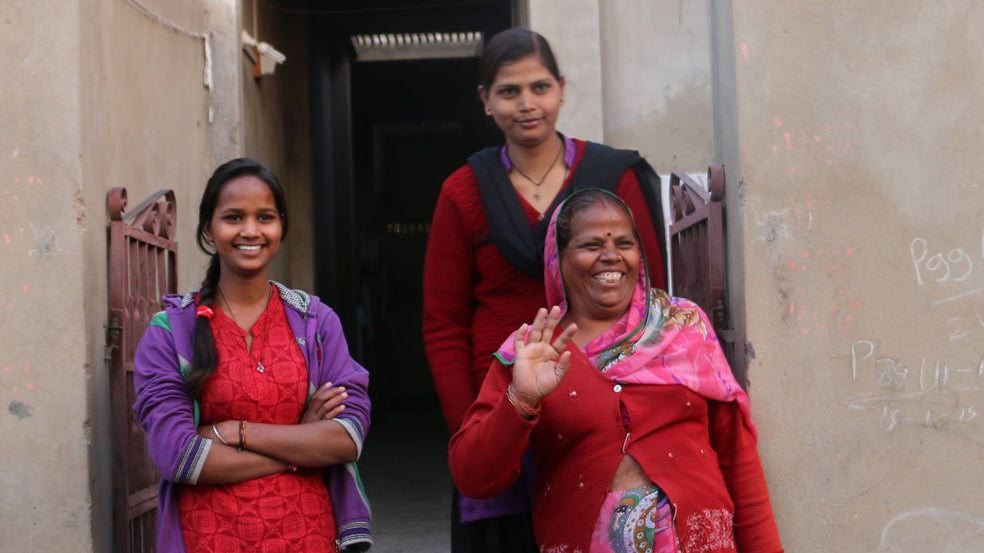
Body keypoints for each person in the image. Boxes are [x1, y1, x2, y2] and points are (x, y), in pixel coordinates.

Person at [423, 27, 668, 551]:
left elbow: (650, 298)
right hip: (502, 404)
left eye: (539, 87)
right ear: (485, 101)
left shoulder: (612, 176)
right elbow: (443, 323)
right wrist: (472, 426)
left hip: (601, 406)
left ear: (561, 89)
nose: (527, 104)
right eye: (509, 91)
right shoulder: (462, 191)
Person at [449, 189, 784, 553]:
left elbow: (739, 459)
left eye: (624, 243)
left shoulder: (684, 327)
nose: (611, 256)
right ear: (556, 259)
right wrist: (521, 400)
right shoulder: (532, 352)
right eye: (590, 244)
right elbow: (474, 477)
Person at [133, 158, 372, 552]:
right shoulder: (171, 332)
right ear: (208, 229)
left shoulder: (315, 321)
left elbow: (347, 437)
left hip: (308, 536)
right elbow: (179, 456)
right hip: (208, 538)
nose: (250, 231)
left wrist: (235, 432)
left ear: (281, 226)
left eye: (265, 217)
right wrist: (301, 445)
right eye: (233, 217)